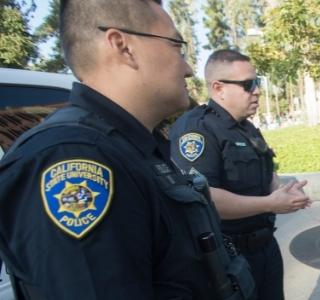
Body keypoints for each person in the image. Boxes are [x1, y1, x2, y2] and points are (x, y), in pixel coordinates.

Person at [0, 1, 254, 299]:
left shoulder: (132, 145)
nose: (187, 68)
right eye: (176, 46)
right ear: (123, 46)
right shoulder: (73, 158)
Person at [169, 49, 311, 300]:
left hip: (265, 247)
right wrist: (270, 203)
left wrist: (284, 192)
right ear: (218, 88)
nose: (257, 90)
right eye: (248, 84)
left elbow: (267, 176)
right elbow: (204, 198)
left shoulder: (249, 129)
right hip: (226, 256)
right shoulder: (197, 130)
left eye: (257, 83)